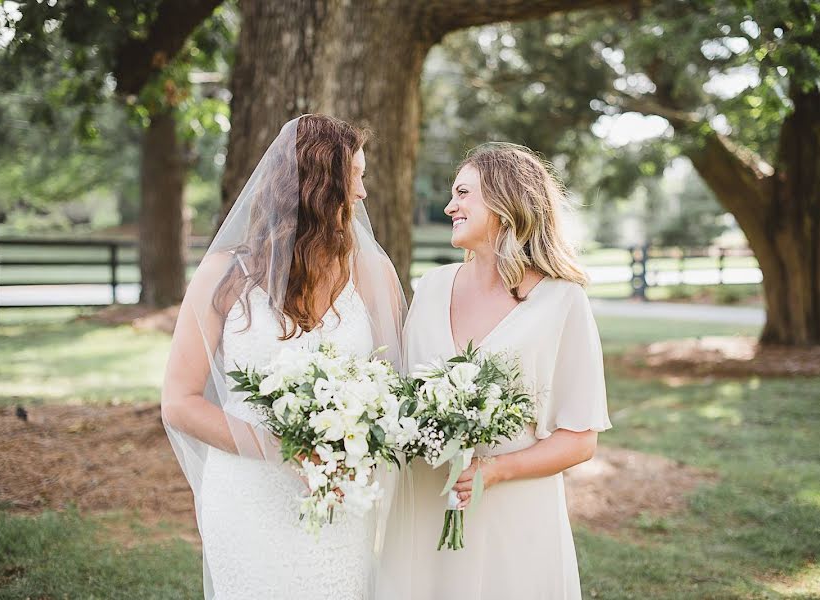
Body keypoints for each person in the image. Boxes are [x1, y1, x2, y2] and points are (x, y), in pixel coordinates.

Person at [160, 114, 407, 599]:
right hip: (247, 494)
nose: (362, 195)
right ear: (320, 188)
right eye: (355, 179)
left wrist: (348, 452)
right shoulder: (222, 274)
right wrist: (289, 451)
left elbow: (392, 392)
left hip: (338, 498)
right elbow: (179, 402)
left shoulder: (373, 273)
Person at [384, 142, 612, 599]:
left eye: (463, 193)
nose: (451, 206)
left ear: (505, 201)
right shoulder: (430, 289)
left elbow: (581, 438)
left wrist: (495, 470)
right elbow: (400, 396)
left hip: (513, 515)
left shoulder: (562, 301)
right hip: (424, 503)